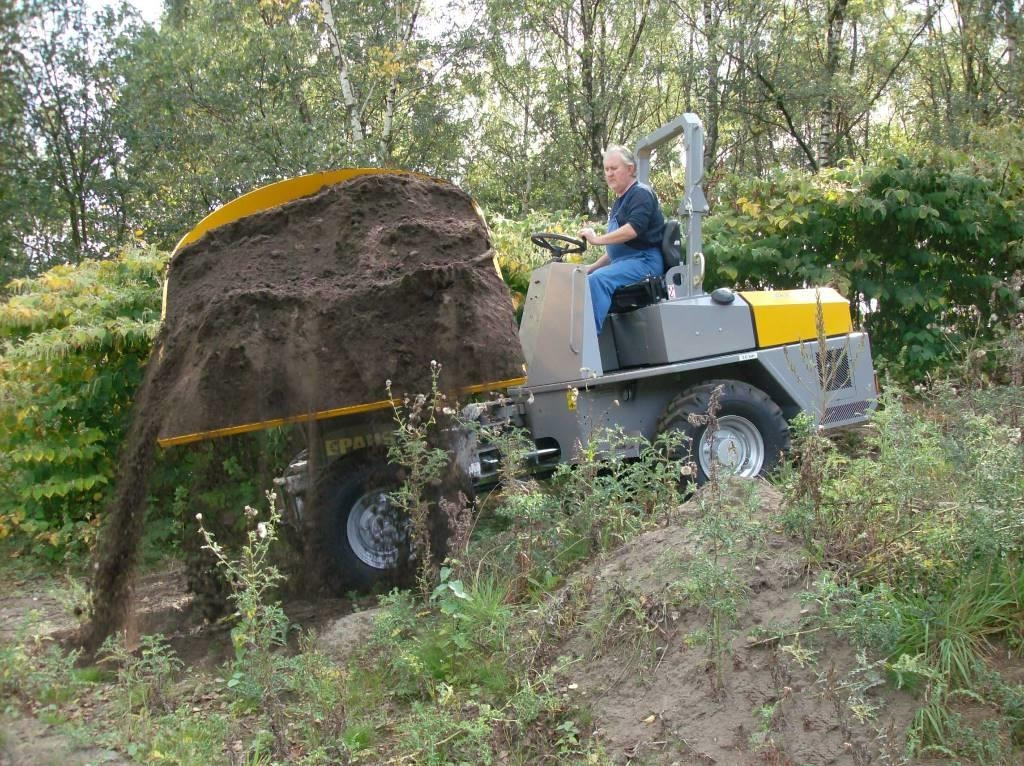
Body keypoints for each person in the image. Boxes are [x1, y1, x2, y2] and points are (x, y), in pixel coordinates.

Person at [579, 145, 666, 335]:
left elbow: (632, 230)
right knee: (581, 280)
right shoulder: (620, 202)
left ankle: (586, 345)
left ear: (630, 169)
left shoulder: (641, 193)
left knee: (598, 281)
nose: (609, 174)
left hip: (645, 262)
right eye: (606, 169)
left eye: (614, 168)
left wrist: (596, 239)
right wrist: (590, 267)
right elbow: (616, 251)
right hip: (627, 262)